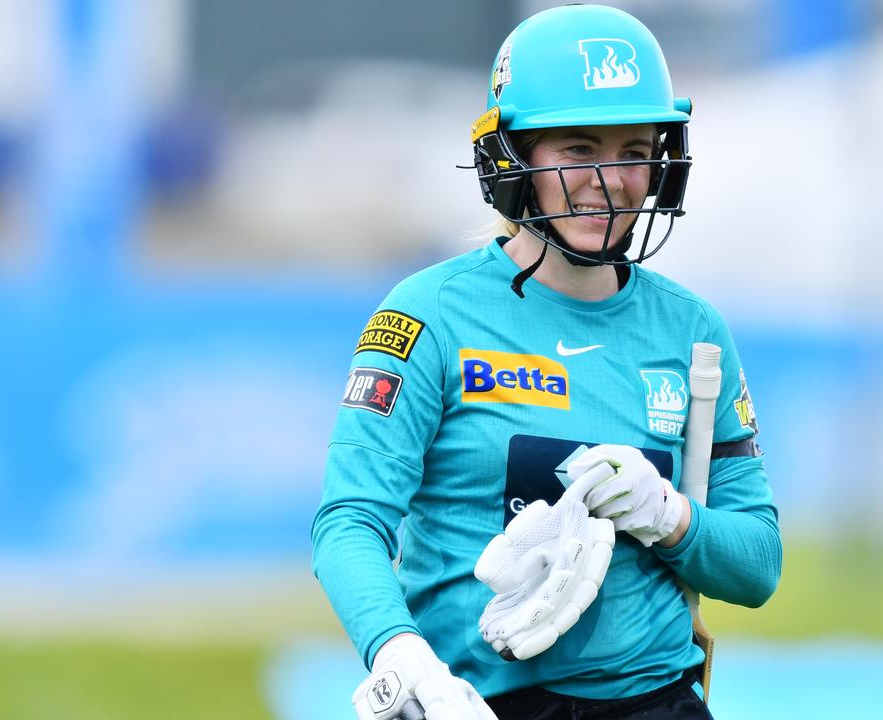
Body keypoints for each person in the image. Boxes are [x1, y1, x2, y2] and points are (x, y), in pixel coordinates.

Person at [311, 5, 781, 719]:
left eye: (632, 150)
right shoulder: (425, 316)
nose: (609, 179)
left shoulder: (694, 331)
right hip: (467, 703)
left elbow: (757, 564)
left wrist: (668, 515)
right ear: (514, 159)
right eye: (577, 148)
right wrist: (404, 658)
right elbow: (349, 523)